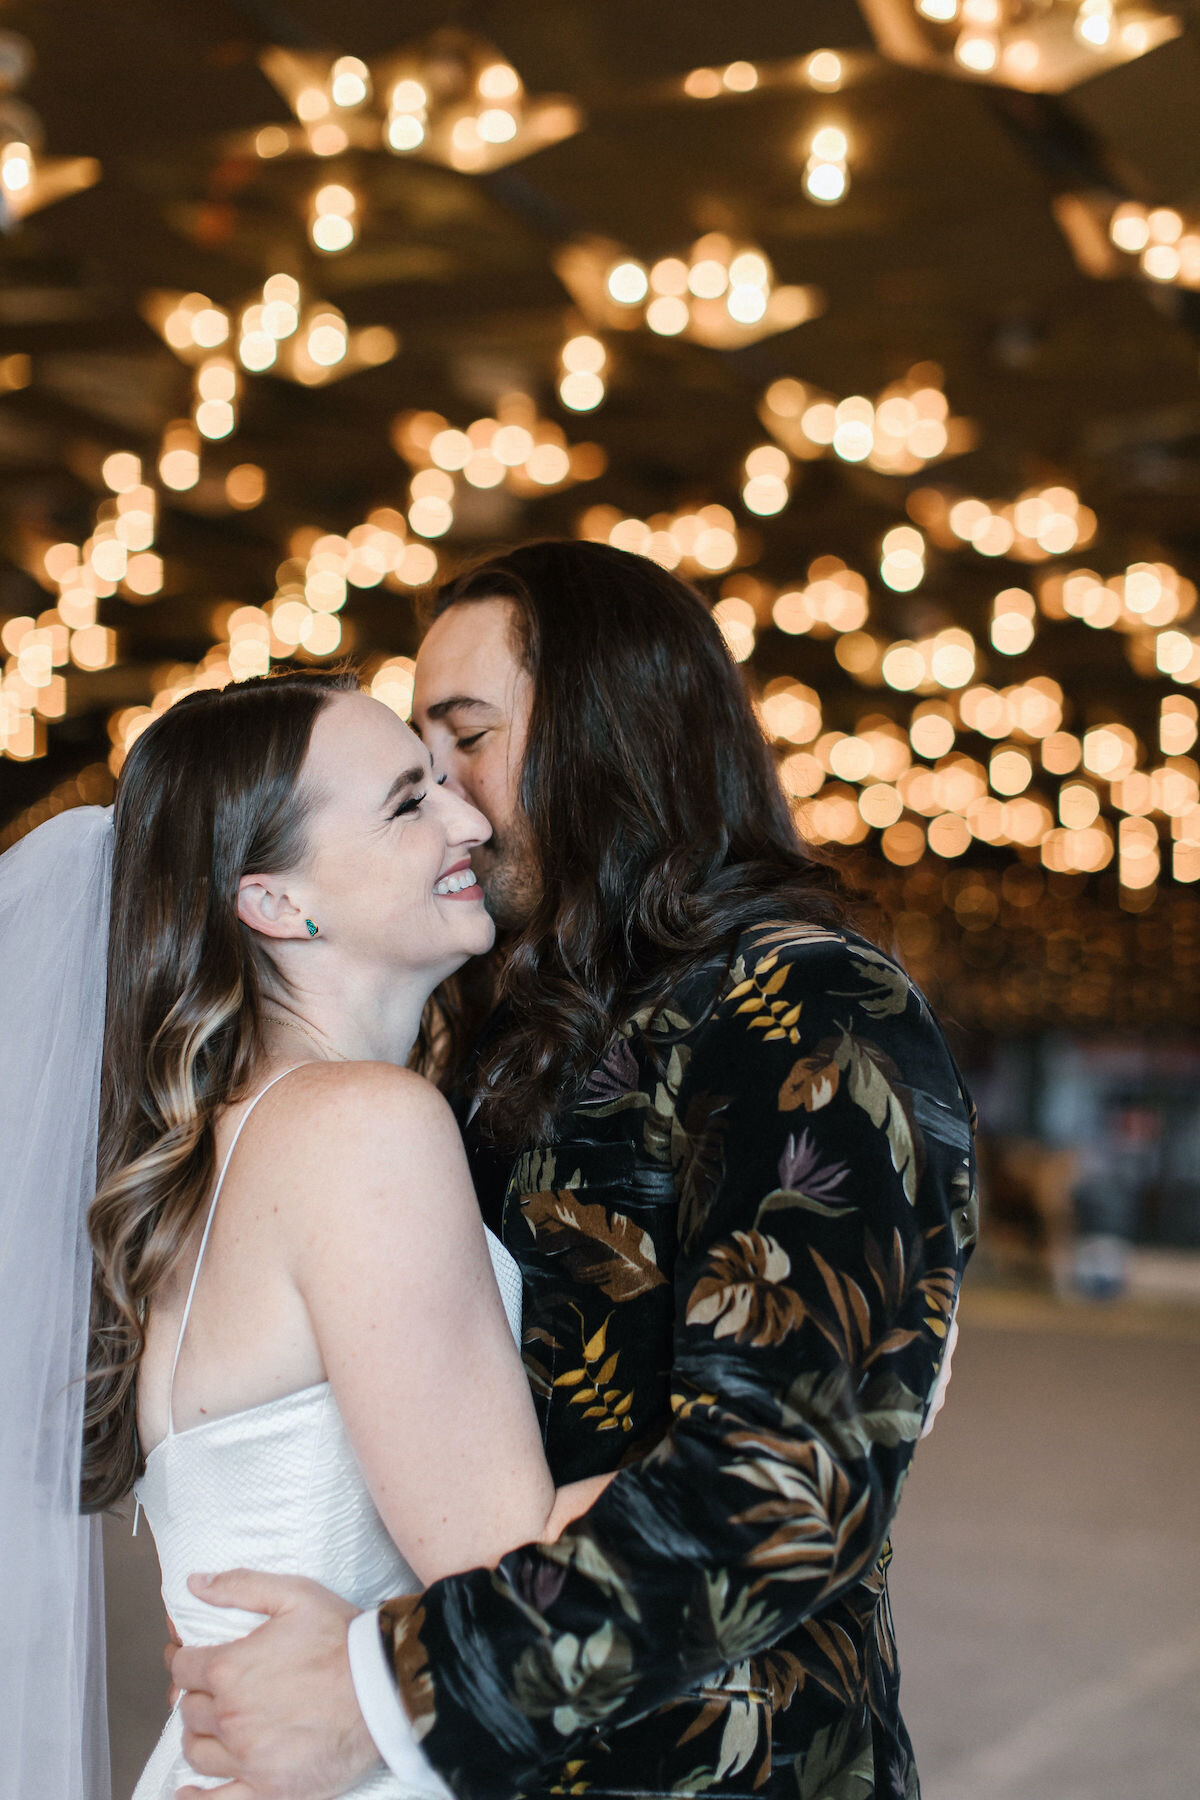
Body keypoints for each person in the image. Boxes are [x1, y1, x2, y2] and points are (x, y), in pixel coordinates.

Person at [170, 541, 977, 1800]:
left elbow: (788, 1478)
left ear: (614, 732)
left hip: (720, 1769)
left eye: (466, 739)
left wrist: (388, 1690)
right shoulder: (487, 1034)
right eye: (418, 772)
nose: (454, 799)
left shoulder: (802, 1005)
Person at [0, 667, 613, 1800]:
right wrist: (831, 1377)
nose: (470, 818)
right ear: (276, 902)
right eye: (408, 801)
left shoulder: (227, 1148)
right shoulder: (359, 1130)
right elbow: (513, 1572)